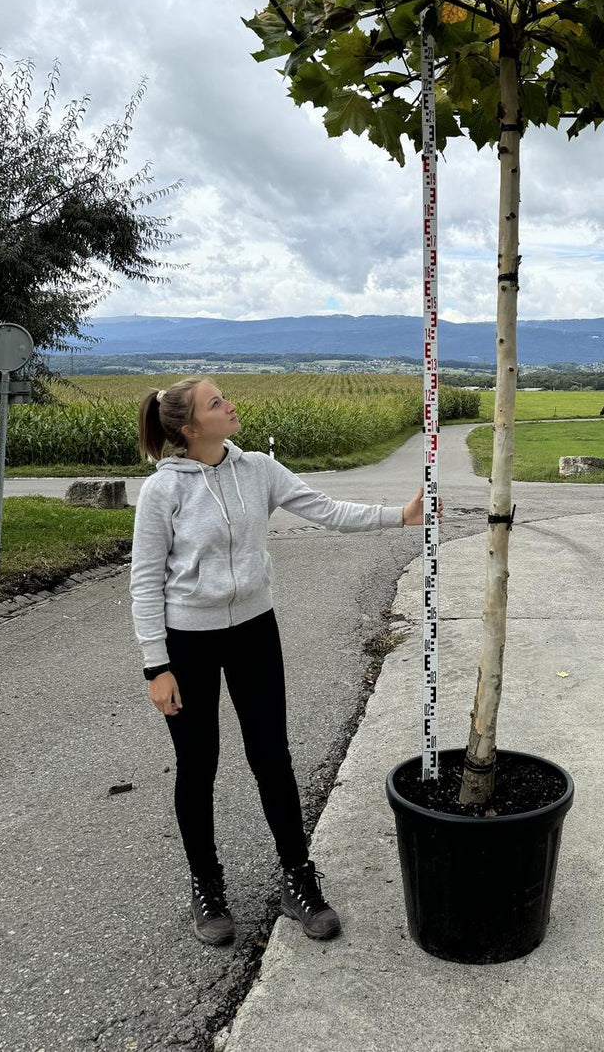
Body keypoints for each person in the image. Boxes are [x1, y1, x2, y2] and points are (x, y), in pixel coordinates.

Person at [130, 377, 440, 947]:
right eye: (217, 403)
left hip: (253, 630)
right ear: (188, 428)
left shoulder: (258, 471)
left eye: (224, 397)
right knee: (197, 766)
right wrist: (157, 666)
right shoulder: (162, 492)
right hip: (187, 643)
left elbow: (325, 509)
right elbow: (146, 581)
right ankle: (207, 887)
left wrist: (400, 515)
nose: (230, 406)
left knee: (271, 756)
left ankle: (297, 879)